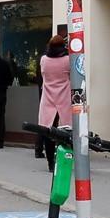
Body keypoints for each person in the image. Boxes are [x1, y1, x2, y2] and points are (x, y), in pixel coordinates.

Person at [36, 30, 71, 167]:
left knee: (48, 131)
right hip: (64, 98)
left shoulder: (43, 60)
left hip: (48, 98)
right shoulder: (68, 60)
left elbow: (42, 77)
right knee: (66, 130)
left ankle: (51, 162)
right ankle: (65, 159)